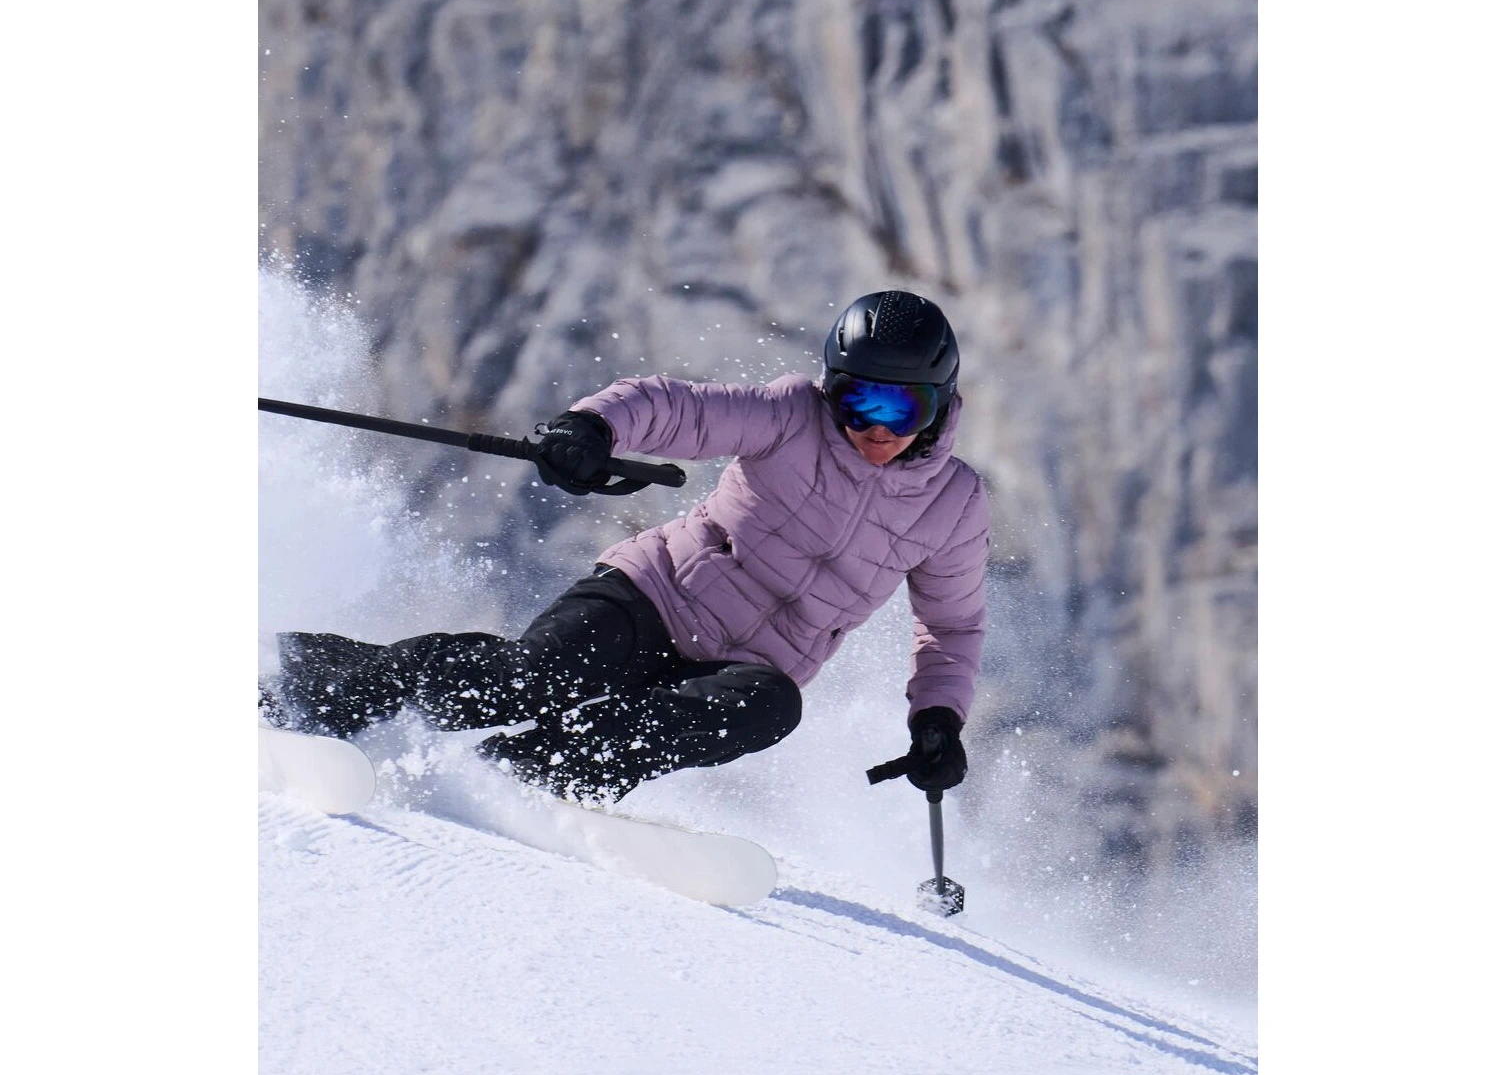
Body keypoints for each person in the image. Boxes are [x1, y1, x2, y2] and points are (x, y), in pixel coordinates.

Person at [263, 290, 990, 803]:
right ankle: (308, 685)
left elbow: (952, 627)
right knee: (527, 679)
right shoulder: (789, 416)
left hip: (749, 668)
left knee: (772, 708)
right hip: (652, 598)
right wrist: (592, 428)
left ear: (939, 406)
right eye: (858, 400)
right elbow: (676, 408)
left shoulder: (954, 505)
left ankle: (530, 776)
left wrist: (937, 720)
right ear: (831, 389)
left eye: (903, 407)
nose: (876, 427)